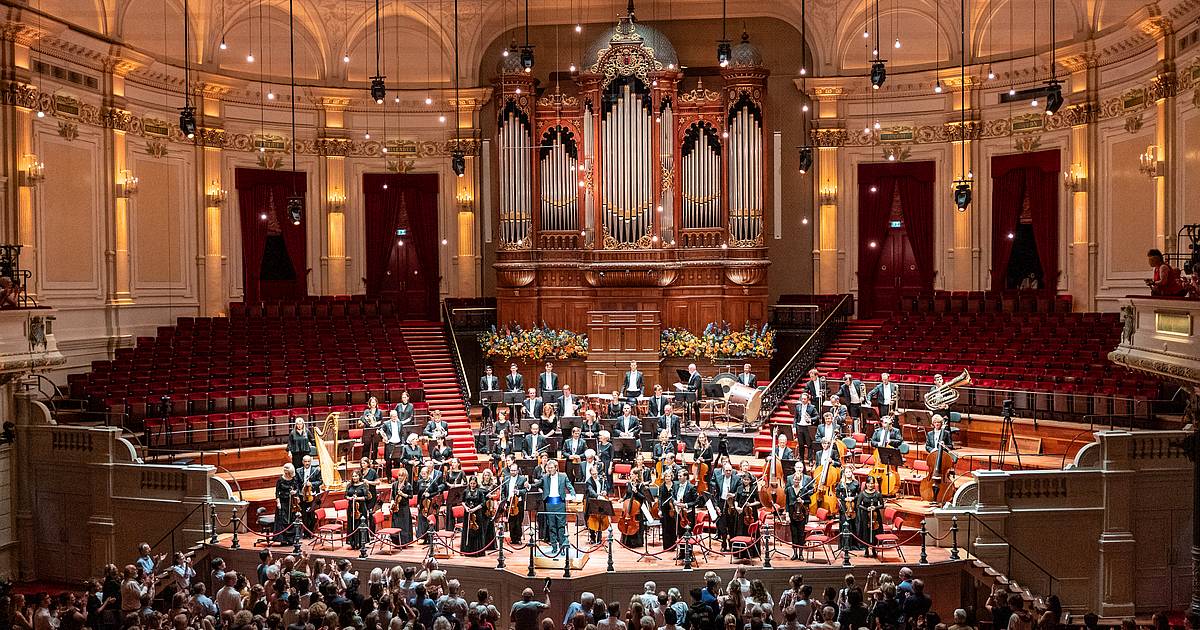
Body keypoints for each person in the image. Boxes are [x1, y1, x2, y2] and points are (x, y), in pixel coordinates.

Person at [533, 459, 575, 555]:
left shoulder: (563, 476)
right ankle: (554, 547)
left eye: (551, 468)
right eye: (548, 468)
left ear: (556, 468)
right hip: (549, 503)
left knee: (561, 526)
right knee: (551, 526)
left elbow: (569, 486)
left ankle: (562, 547)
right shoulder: (545, 477)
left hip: (560, 503)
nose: (549, 469)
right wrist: (528, 486)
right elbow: (537, 484)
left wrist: (573, 493)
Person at [785, 467, 813, 559]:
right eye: (795, 479)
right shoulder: (789, 489)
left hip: (801, 515)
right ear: (792, 480)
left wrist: (803, 501)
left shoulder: (804, 490)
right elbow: (787, 503)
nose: (796, 481)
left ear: (800, 480)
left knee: (801, 534)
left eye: (798, 480)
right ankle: (795, 553)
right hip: (792, 514)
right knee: (794, 534)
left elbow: (809, 501)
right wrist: (787, 515)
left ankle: (801, 554)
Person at [856, 476, 885, 557]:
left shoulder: (878, 494)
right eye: (869, 483)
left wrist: (875, 507)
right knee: (866, 532)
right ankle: (866, 550)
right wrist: (866, 508)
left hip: (875, 516)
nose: (870, 485)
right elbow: (858, 505)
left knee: (875, 532)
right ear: (866, 484)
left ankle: (874, 549)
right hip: (865, 516)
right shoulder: (862, 494)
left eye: (872, 483)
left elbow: (882, 505)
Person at [460, 475, 490, 556]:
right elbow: (462, 501)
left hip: (477, 514)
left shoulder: (480, 492)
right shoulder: (465, 491)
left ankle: (477, 551)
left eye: (474, 483)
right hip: (468, 514)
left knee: (477, 531)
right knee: (468, 530)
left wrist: (475, 509)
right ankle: (467, 551)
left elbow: (483, 503)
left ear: (476, 483)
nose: (472, 485)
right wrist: (466, 508)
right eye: (471, 483)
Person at [501, 462, 528, 543]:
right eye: (512, 470)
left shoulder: (523, 479)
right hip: (509, 502)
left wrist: (518, 491)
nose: (513, 472)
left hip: (518, 503)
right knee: (511, 521)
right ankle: (512, 538)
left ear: (517, 470)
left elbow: (525, 491)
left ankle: (518, 538)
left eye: (515, 470)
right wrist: (504, 502)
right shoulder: (506, 478)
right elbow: (503, 492)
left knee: (518, 521)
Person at [835, 467, 861, 551]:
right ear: (844, 474)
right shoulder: (841, 483)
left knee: (853, 524)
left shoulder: (856, 483)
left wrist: (853, 498)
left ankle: (853, 545)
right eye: (847, 472)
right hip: (844, 506)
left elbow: (860, 494)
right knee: (844, 523)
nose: (848, 473)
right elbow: (837, 493)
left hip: (853, 506)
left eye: (850, 472)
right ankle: (844, 545)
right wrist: (844, 498)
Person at [296, 454, 323, 535]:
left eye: (308, 461)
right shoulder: (298, 471)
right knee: (304, 514)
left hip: (312, 494)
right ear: (302, 462)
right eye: (305, 461)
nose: (307, 463)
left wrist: (311, 484)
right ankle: (305, 531)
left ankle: (311, 531)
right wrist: (297, 494)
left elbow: (320, 481)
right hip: (303, 495)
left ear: (311, 462)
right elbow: (296, 483)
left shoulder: (316, 470)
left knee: (311, 514)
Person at [620, 478, 649, 549]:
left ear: (637, 476)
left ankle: (636, 542)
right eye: (631, 474)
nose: (631, 476)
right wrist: (623, 499)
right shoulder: (629, 484)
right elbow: (627, 494)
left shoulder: (641, 485)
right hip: (629, 506)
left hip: (637, 508)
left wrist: (636, 492)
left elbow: (643, 497)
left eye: (633, 474)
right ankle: (626, 541)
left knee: (636, 523)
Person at [274, 463, 299, 543]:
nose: (286, 473)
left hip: (291, 502)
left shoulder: (293, 479)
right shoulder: (280, 479)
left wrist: (294, 492)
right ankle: (283, 539)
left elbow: (297, 489)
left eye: (287, 471)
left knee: (291, 519)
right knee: (283, 519)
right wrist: (278, 502)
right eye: (285, 471)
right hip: (283, 502)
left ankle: (291, 539)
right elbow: (277, 492)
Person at [390, 467, 415, 544]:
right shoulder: (394, 484)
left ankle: (405, 541)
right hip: (396, 507)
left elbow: (411, 496)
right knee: (396, 524)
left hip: (404, 508)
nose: (400, 477)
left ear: (405, 477)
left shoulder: (408, 485)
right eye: (399, 475)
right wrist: (392, 502)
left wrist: (403, 494)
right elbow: (393, 496)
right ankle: (396, 541)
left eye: (402, 476)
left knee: (404, 525)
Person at [792, 393, 818, 463]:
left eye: (804, 399)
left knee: (809, 444)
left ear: (807, 399)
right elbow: (795, 418)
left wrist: (810, 419)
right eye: (802, 399)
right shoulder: (798, 407)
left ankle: (810, 460)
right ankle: (801, 459)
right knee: (801, 444)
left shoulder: (812, 407)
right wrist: (794, 427)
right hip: (799, 426)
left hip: (807, 427)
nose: (803, 400)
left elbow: (817, 417)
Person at [381, 409, 406, 477]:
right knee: (388, 462)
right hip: (390, 444)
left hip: (398, 444)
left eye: (396, 416)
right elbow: (381, 431)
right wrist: (384, 438)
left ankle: (396, 477)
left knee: (397, 462)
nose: (394, 418)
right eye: (393, 416)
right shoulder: (386, 423)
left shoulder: (400, 423)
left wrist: (403, 443)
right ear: (390, 416)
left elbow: (402, 434)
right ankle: (389, 477)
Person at [361, 397, 384, 461]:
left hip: (376, 430)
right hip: (368, 430)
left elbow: (381, 421)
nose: (373, 403)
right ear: (370, 403)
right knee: (366, 446)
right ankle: (364, 461)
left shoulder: (379, 412)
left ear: (376, 403)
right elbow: (364, 419)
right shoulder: (366, 411)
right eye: (372, 402)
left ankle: (374, 460)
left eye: (374, 402)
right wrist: (370, 424)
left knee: (375, 446)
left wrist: (376, 423)